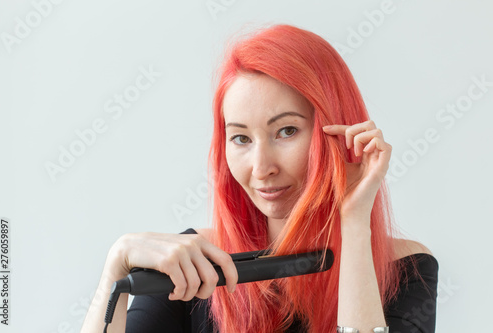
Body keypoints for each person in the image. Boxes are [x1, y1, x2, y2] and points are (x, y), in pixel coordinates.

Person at [81, 24, 438, 333]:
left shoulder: (406, 269)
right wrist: (115, 268)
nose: (260, 167)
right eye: (241, 138)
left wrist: (355, 223)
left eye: (286, 131)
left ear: (337, 131)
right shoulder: (195, 265)